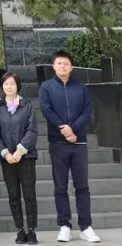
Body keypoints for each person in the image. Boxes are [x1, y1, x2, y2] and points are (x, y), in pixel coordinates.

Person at [38, 50, 98, 244]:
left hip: (79, 143)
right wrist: (64, 130)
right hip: (58, 143)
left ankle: (86, 227)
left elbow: (87, 112)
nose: (62, 66)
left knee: (82, 186)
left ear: (71, 67)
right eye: (59, 63)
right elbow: (47, 110)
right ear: (54, 66)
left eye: (66, 63)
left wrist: (73, 129)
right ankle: (64, 226)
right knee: (60, 187)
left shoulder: (81, 88)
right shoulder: (46, 87)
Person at [0, 73, 39, 245]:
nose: (9, 87)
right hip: (7, 158)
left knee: (29, 194)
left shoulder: (27, 105)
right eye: (6, 84)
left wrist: (20, 151)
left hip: (26, 156)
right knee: (13, 195)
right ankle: (20, 230)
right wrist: (6, 153)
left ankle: (32, 230)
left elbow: (32, 130)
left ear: (18, 86)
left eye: (12, 84)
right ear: (2, 86)